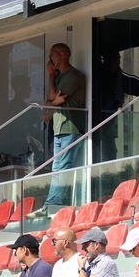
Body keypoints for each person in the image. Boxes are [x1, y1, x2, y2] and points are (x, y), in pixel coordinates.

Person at [38, 43, 86, 212]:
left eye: (53, 55)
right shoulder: (60, 77)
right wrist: (52, 101)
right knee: (56, 167)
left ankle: (53, 205)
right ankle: (51, 203)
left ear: (63, 55)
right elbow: (52, 100)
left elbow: (53, 98)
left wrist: (51, 76)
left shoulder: (73, 75)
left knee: (62, 166)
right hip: (59, 128)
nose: (51, 59)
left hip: (71, 127)